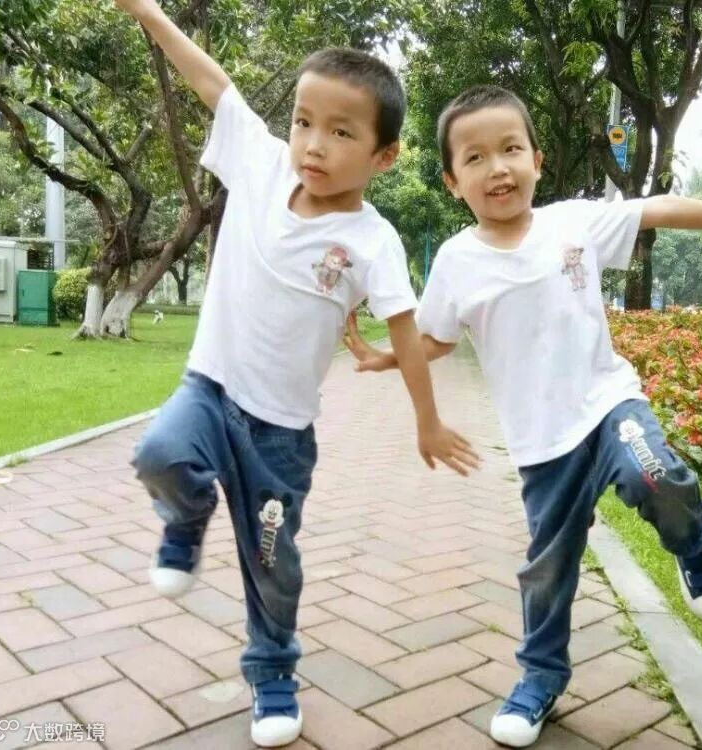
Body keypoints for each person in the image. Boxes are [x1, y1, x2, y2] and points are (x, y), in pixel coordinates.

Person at [344, 84, 702, 748]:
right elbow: (435, 339)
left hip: (608, 405)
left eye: (511, 149)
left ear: (536, 160)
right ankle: (540, 677)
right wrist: (386, 357)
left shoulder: (572, 222)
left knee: (657, 474)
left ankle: (694, 543)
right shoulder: (455, 260)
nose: (498, 168)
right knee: (547, 570)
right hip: (542, 447)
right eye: (475, 158)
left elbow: (655, 208)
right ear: (452, 181)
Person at [112, 2, 479, 746]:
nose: (314, 144)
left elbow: (405, 333)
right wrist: (148, 12)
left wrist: (428, 420)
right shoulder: (259, 161)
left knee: (272, 560)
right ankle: (186, 518)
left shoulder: (372, 241)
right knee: (159, 455)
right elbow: (212, 83)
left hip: (279, 438)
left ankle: (273, 671)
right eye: (304, 122)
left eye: (341, 132)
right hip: (209, 388)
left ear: (384, 157)